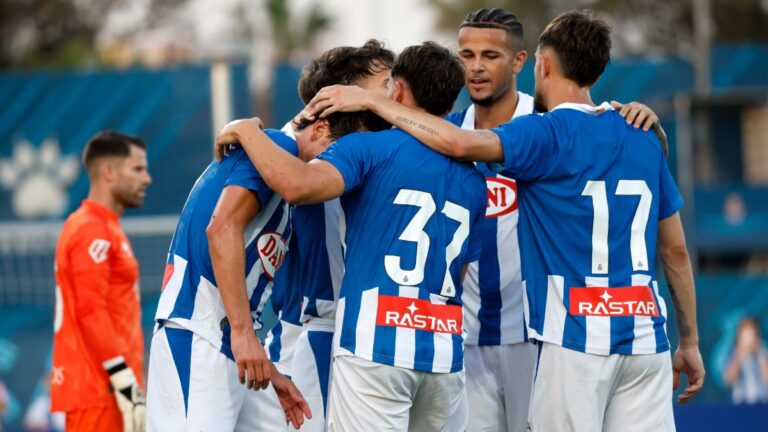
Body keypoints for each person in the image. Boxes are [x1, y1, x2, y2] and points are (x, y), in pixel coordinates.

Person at [304, 10, 705, 431]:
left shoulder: (538, 127)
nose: (475, 66)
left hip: (541, 334)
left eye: (490, 55)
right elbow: (674, 247)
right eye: (466, 55)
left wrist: (372, 102)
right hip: (471, 337)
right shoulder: (442, 128)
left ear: (531, 63)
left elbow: (459, 146)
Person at [216, 41, 487, 431]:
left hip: (366, 336)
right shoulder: (472, 175)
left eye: (386, 84)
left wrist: (244, 127)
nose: (380, 94)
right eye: (376, 83)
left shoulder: (367, 149)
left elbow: (296, 184)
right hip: (418, 340)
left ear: (399, 92)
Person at [147, 41, 393, 431]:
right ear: (323, 124)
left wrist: (256, 351)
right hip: (199, 333)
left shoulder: (279, 160)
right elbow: (221, 228)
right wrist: (245, 335)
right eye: (341, 149)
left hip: (230, 342)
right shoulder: (277, 146)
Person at [51, 130, 152, 432]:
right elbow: (90, 309)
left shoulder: (107, 227)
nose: (147, 178)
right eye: (137, 169)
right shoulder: (89, 229)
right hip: (98, 392)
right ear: (108, 172)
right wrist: (123, 379)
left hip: (111, 390)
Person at [724, 317, 768, 404]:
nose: (749, 339)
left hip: (762, 402)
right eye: (746, 335)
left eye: (751, 334)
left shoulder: (763, 351)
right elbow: (729, 380)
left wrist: (760, 354)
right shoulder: (733, 354)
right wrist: (740, 355)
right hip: (741, 403)